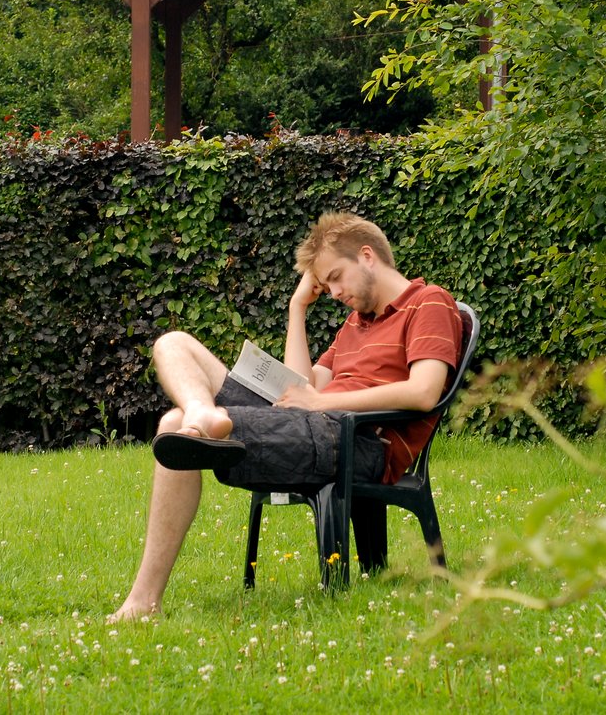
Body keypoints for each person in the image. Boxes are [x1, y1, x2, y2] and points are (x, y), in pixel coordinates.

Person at [109, 212, 463, 621]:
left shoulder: (429, 301)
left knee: (174, 426)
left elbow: (424, 391)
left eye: (336, 277)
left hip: (358, 439)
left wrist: (320, 403)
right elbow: (302, 384)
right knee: (173, 344)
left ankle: (143, 601)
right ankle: (203, 413)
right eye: (326, 284)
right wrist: (297, 308)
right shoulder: (355, 324)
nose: (333, 292)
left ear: (367, 256)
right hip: (312, 422)